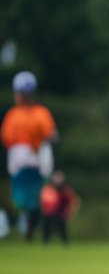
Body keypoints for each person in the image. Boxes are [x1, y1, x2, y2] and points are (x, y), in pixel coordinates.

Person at [2, 71, 57, 242]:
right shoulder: (12, 115)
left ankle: (30, 229)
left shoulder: (41, 113)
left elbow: (51, 135)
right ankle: (23, 226)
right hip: (18, 163)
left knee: (35, 199)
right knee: (19, 199)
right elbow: (7, 139)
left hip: (35, 162)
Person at [39, 170, 79, 244]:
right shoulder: (48, 189)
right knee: (47, 227)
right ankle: (46, 242)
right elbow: (44, 200)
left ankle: (65, 242)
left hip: (61, 213)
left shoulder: (66, 190)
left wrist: (70, 212)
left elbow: (73, 201)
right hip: (49, 213)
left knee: (62, 228)